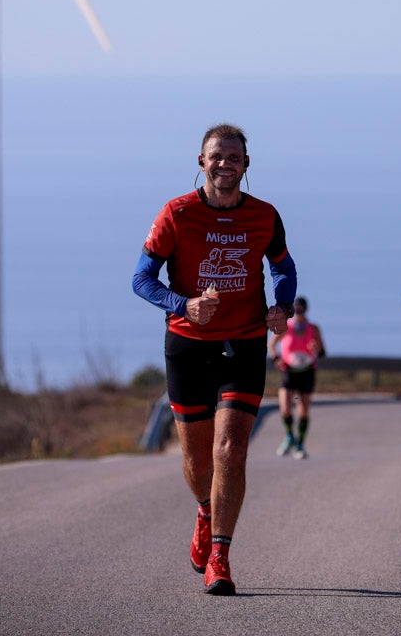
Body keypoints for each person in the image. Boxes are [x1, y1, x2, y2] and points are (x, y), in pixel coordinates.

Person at [132, 123, 297, 597]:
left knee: (231, 449)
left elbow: (283, 268)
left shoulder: (264, 215)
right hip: (188, 346)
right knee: (197, 457)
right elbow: (141, 280)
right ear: (201, 162)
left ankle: (220, 557)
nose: (225, 163)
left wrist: (282, 307)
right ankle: (205, 510)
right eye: (217, 156)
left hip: (243, 343)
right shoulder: (177, 213)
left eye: (234, 157)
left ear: (246, 165)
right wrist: (183, 305)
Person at [268, 296, 325, 459]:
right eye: (297, 310)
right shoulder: (286, 327)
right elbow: (272, 344)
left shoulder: (313, 328)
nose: (299, 313)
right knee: (285, 407)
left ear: (306, 310)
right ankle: (289, 437)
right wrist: (276, 359)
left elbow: (322, 352)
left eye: (302, 310)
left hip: (307, 371)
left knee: (303, 410)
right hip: (288, 371)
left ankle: (300, 444)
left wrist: (316, 348)